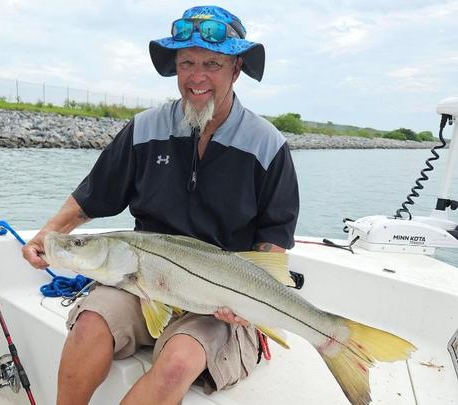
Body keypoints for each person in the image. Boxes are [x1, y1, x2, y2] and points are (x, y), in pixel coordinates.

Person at [22, 5, 299, 405]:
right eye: (186, 62)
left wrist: (246, 307)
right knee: (89, 327)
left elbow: (272, 241)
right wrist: (48, 236)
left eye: (211, 63)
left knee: (176, 365)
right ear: (175, 68)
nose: (197, 76)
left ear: (236, 69)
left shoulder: (268, 145)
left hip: (220, 299)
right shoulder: (144, 128)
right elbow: (91, 197)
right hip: (140, 279)